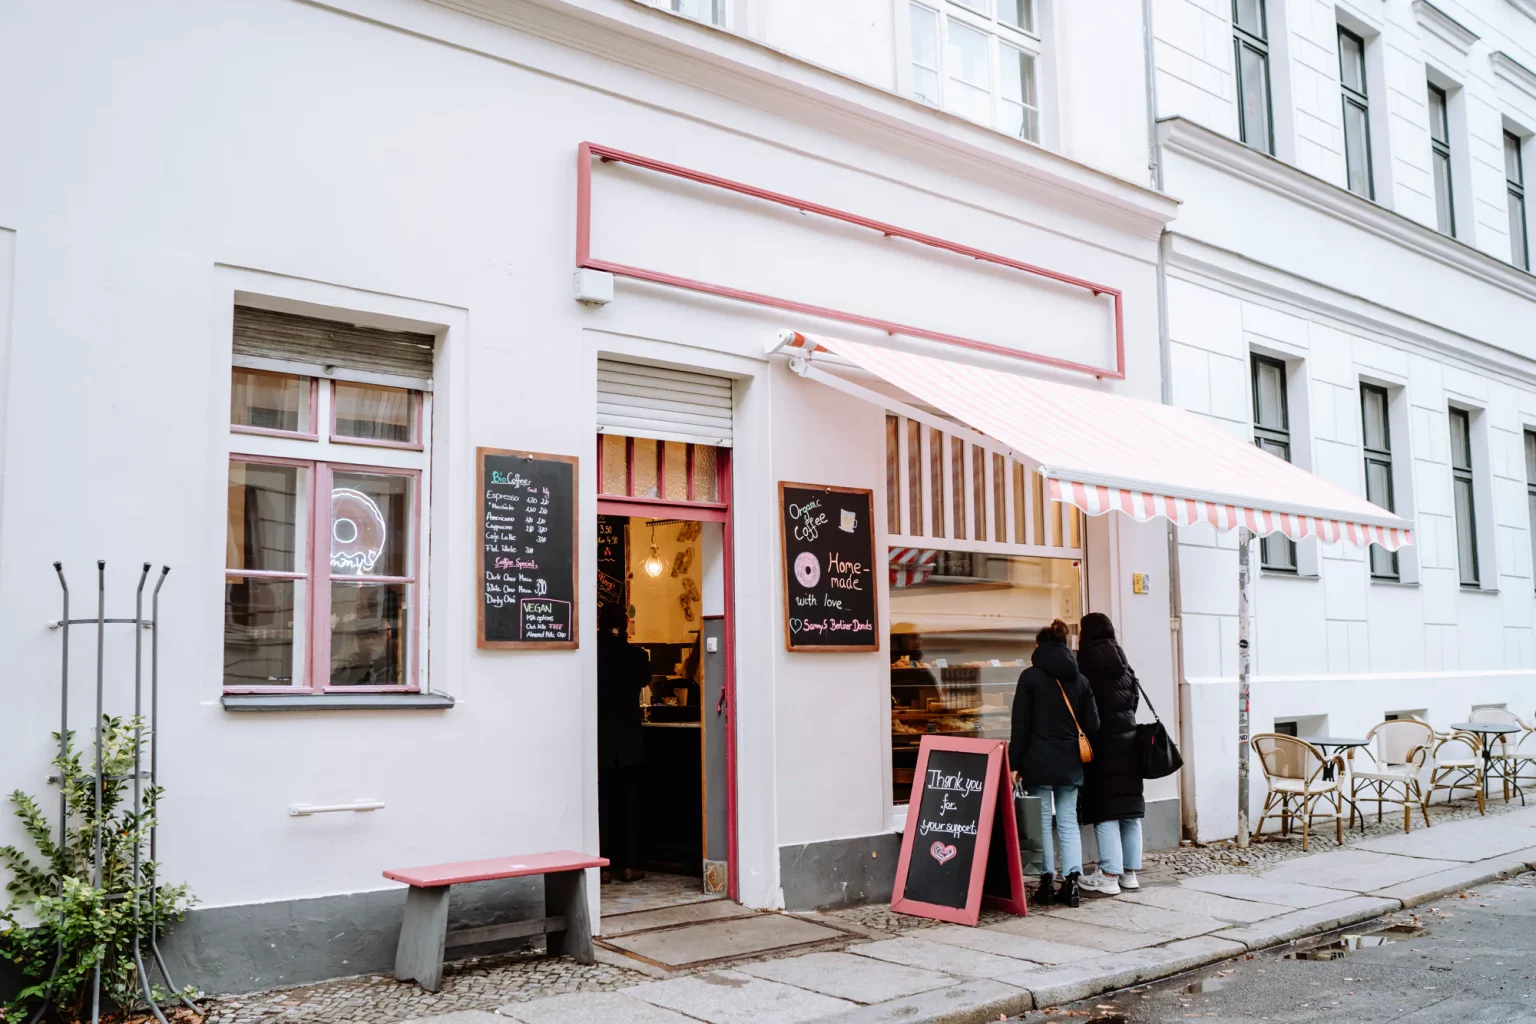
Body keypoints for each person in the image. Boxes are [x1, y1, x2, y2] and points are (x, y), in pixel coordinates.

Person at [1010, 618, 1099, 908]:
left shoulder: (1030, 677)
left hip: (1037, 760)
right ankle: (1072, 883)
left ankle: (1046, 882)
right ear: (1065, 645)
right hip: (1070, 761)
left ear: (1039, 646)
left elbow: (1020, 725)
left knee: (1042, 822)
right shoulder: (1081, 679)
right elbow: (1094, 724)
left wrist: (1015, 763)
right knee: (1069, 821)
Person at [1075, 612, 1145, 897]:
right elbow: (1134, 699)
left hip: (1101, 746)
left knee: (1106, 810)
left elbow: (1083, 705)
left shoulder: (1085, 663)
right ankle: (1129, 874)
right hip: (1129, 744)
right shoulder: (1123, 661)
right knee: (1129, 810)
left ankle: (1107, 875)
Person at [597, 601, 651, 882]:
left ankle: (603, 866)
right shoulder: (637, 656)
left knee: (602, 805)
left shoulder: (593, 654)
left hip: (601, 738)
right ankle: (630, 865)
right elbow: (644, 680)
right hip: (629, 738)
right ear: (626, 624)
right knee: (630, 804)